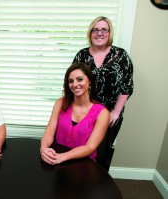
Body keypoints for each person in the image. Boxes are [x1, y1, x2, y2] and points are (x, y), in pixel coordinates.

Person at [72, 16, 134, 145]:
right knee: (79, 148)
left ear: (109, 33)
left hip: (110, 115)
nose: (100, 33)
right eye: (95, 30)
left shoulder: (121, 55)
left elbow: (126, 86)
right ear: (90, 34)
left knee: (102, 153)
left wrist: (116, 112)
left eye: (104, 30)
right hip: (83, 114)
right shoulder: (81, 55)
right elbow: (72, 83)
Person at [40, 63, 110, 165]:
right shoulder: (60, 103)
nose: (75, 84)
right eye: (71, 81)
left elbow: (90, 147)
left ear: (89, 80)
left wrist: (63, 157)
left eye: (80, 79)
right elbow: (49, 132)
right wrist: (44, 149)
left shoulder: (102, 113)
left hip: (83, 164)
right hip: (57, 159)